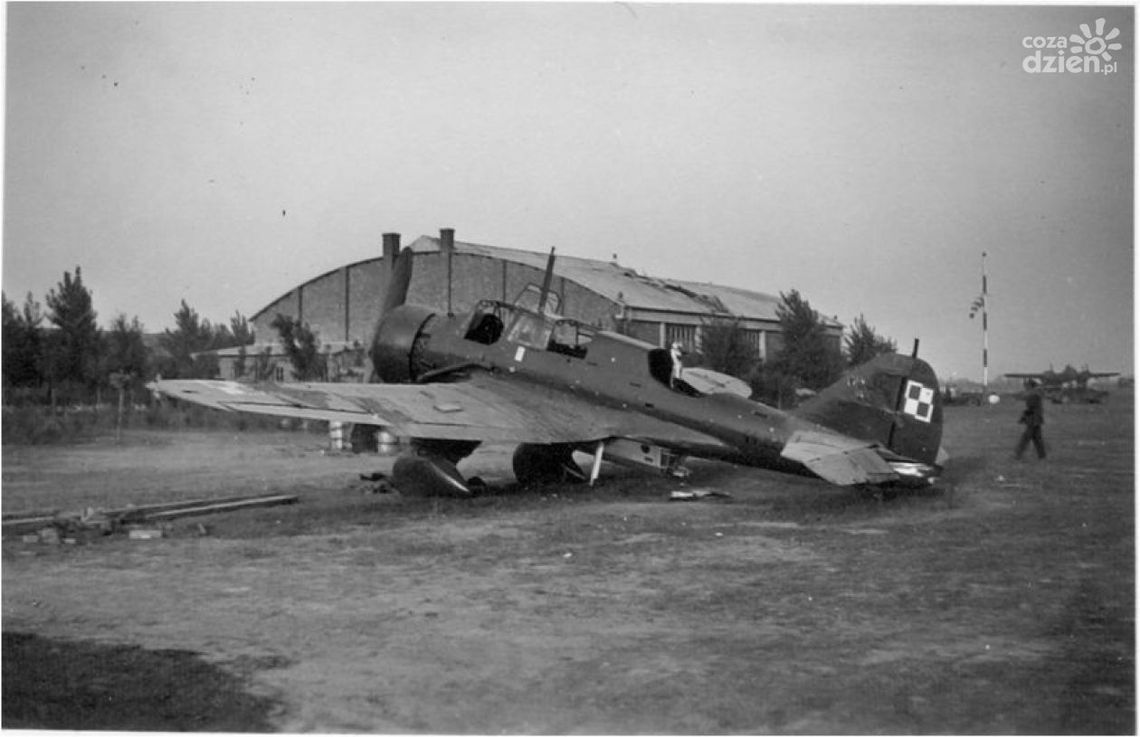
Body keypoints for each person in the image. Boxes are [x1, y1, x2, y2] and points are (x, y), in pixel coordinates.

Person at [1015, 378, 1047, 460]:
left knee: (1026, 438)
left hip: (1033, 419)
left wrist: (1023, 417)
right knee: (1037, 439)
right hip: (1036, 419)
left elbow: (1030, 407)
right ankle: (1042, 456)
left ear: (1030, 385)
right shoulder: (1037, 393)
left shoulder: (1033, 394)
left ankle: (1018, 455)